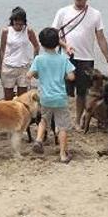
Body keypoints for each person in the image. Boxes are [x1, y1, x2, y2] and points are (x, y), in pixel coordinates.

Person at [51, 0, 108, 128]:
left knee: (82, 92)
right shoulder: (63, 12)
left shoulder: (95, 14)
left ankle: (78, 120)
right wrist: (65, 46)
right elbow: (52, 35)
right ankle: (60, 121)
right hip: (66, 58)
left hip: (86, 58)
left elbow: (101, 37)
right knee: (63, 90)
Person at [28, 27, 76, 163]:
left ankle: (38, 139)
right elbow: (71, 77)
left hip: (45, 97)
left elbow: (29, 75)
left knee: (43, 119)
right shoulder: (63, 60)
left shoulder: (39, 59)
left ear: (41, 43)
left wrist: (38, 74)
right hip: (60, 97)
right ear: (57, 43)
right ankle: (62, 154)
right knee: (62, 127)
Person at [0, 7, 40, 100]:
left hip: (24, 68)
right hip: (8, 67)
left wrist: (34, 65)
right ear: (12, 20)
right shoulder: (6, 31)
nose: (19, 24)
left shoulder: (28, 31)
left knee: (23, 98)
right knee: (8, 98)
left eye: (21, 22)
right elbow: (2, 50)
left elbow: (36, 46)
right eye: (16, 21)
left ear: (24, 21)